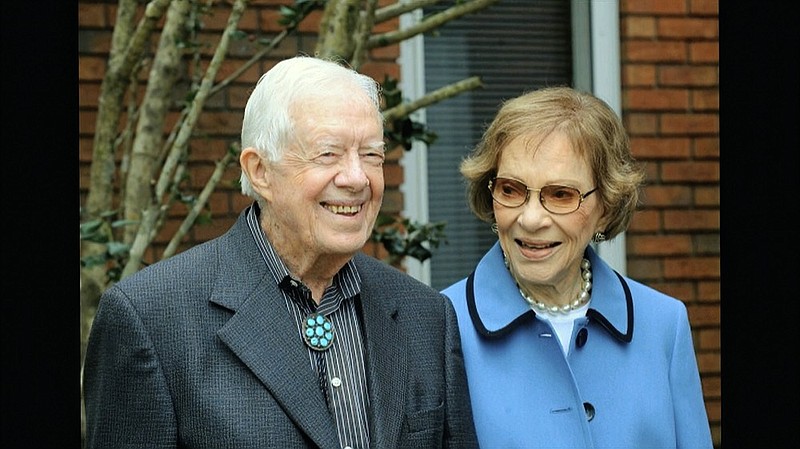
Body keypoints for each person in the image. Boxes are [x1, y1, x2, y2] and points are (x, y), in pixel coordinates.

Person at [83, 55, 478, 449]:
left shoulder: (426, 316)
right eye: (328, 154)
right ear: (260, 171)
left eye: (371, 154)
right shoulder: (152, 319)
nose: (357, 177)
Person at [441, 86, 713, 448]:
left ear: (606, 208)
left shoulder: (664, 325)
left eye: (560, 195)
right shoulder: (440, 326)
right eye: (511, 189)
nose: (531, 218)